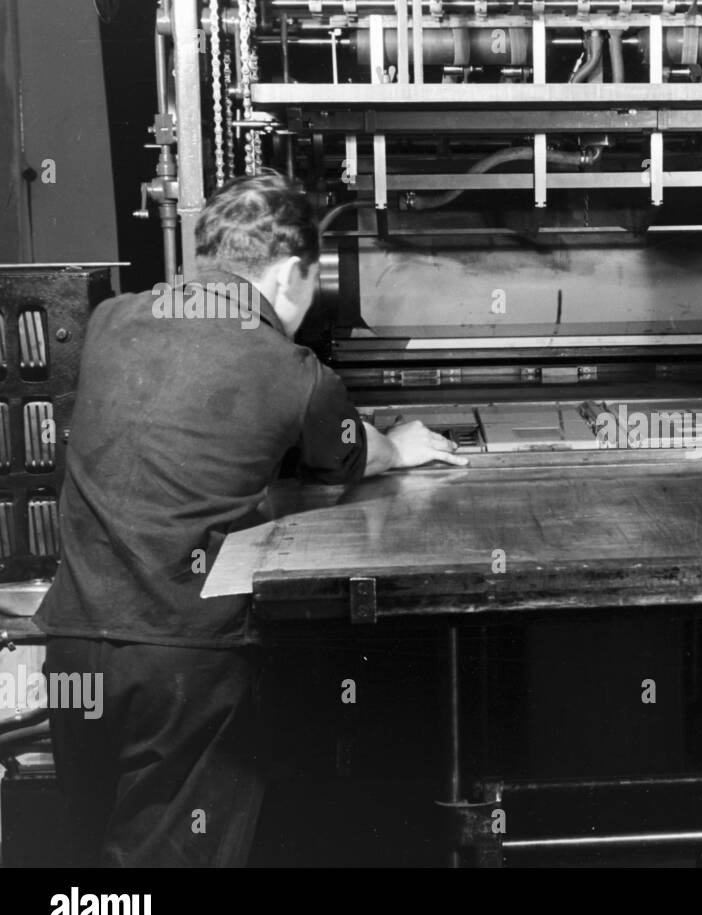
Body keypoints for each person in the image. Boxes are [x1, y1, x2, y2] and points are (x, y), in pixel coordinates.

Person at [34, 172, 468, 866]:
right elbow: (349, 455)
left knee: (90, 863)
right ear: (296, 272)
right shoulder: (292, 369)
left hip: (72, 644)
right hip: (182, 662)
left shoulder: (110, 320)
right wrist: (400, 444)